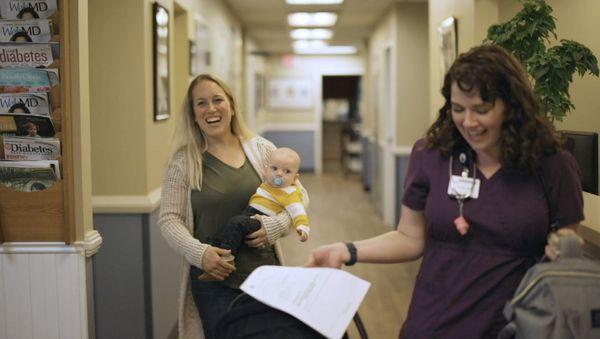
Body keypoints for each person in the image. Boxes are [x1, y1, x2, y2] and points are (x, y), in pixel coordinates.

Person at [305, 45, 584, 338]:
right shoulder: (431, 155)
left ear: (512, 106)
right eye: (458, 109)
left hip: (516, 323)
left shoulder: (552, 165)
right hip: (435, 319)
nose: (468, 122)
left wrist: (562, 247)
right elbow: (409, 238)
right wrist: (346, 250)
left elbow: (567, 245)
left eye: (481, 109)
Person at [158, 73, 308, 339]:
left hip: (265, 273)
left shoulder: (262, 150)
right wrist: (199, 253)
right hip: (213, 280)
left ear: (231, 106)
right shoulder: (184, 161)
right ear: (193, 114)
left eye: (218, 100)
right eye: (201, 103)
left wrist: (274, 226)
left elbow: (299, 194)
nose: (211, 108)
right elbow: (169, 219)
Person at [198, 147, 310, 281]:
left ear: (295, 178)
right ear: (267, 170)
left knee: (236, 223)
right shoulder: (268, 184)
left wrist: (302, 227)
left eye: (287, 171)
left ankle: (228, 259)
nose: (279, 174)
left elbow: (298, 210)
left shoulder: (289, 193)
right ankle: (217, 258)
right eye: (274, 169)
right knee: (223, 234)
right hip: (249, 213)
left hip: (261, 220)